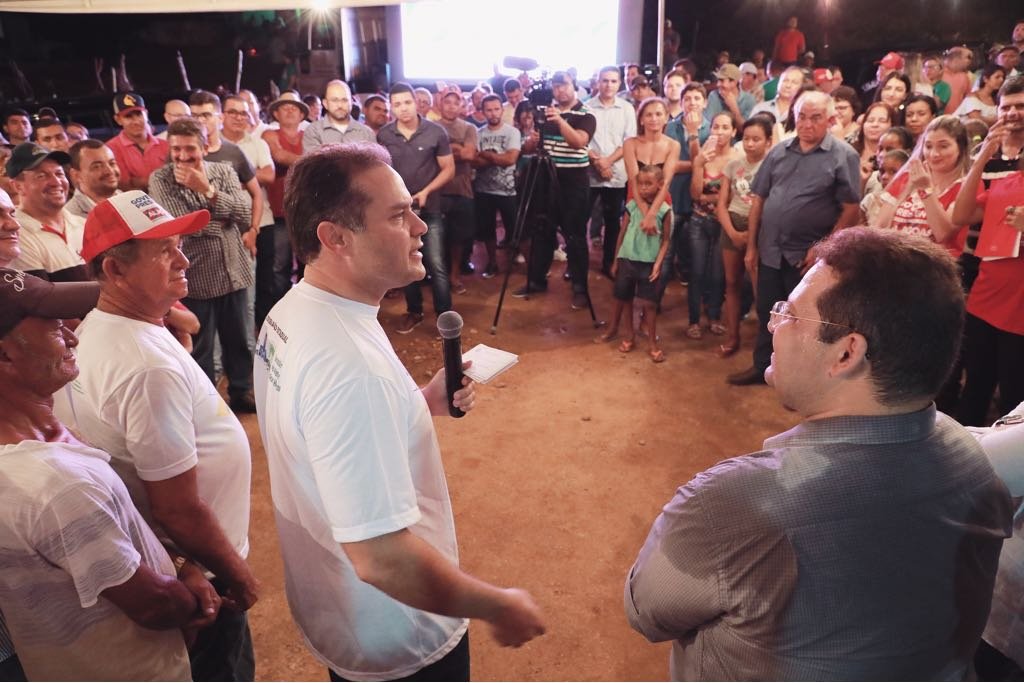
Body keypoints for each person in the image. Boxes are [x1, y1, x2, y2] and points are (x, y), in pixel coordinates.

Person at [627, 225, 1012, 680]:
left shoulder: (734, 505)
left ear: (847, 354)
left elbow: (646, 611)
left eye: (789, 314)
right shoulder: (977, 465)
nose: (772, 324)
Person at [254, 143, 545, 681]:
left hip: (339, 609)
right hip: (399, 635)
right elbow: (382, 559)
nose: (419, 225)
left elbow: (318, 432)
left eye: (413, 208)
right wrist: (497, 604)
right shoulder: (348, 364)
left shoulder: (295, 309)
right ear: (335, 237)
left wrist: (420, 402)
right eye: (398, 214)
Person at [66, 191, 259, 680]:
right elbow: (177, 505)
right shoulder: (146, 367)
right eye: (163, 251)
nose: (183, 257)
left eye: (179, 244)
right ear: (114, 271)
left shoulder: (107, 327)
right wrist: (236, 572)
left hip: (175, 562)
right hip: (200, 579)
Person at [0, 268, 221, 682]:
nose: (72, 337)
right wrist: (193, 599)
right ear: (5, 356)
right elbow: (152, 604)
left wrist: (175, 562)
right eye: (53, 328)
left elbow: (117, 540)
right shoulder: (54, 485)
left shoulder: (44, 433)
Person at [730, 91, 861, 386]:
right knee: (768, 311)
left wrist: (824, 249)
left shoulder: (843, 156)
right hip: (771, 251)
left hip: (806, 258)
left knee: (805, 319)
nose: (807, 124)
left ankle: (800, 378)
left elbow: (851, 208)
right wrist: (752, 247)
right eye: (801, 116)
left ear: (829, 119)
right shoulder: (779, 151)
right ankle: (763, 367)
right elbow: (758, 201)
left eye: (815, 117)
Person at [149, 117, 256, 412]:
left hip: (234, 270)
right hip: (195, 276)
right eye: (176, 150)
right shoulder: (160, 179)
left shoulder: (223, 171)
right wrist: (224, 221)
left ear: (204, 148)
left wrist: (207, 191)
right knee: (201, 347)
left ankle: (242, 391)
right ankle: (207, 405)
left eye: (189, 149)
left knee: (240, 342)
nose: (183, 156)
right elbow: (180, 225)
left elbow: (246, 215)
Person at [950, 75, 1024, 427]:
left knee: (1013, 398)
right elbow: (961, 215)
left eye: (1020, 107)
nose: (1013, 115)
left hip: (1019, 312)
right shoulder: (1006, 179)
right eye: (1007, 107)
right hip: (985, 296)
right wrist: (981, 159)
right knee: (975, 389)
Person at [513, 71, 596, 310]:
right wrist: (532, 140)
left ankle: (580, 288)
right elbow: (530, 149)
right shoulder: (545, 114)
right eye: (556, 87)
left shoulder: (586, 114)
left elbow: (578, 142)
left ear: (574, 86)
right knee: (542, 231)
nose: (560, 90)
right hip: (545, 179)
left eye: (564, 85)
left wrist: (559, 121)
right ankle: (537, 280)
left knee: (575, 235)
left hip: (574, 181)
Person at [377, 82, 455, 333]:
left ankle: (445, 317)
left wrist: (426, 191)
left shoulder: (436, 132)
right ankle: (414, 311)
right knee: (405, 263)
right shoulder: (385, 135)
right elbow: (381, 169)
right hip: (399, 211)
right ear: (391, 107)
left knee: (436, 263)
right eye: (397, 104)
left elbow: (449, 169)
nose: (403, 109)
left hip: (429, 209)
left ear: (416, 102)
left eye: (407, 102)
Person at [596, 163, 671, 362]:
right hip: (627, 260)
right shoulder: (631, 206)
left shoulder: (664, 210)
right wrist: (615, 259)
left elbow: (665, 240)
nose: (644, 188)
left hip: (648, 264)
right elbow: (622, 232)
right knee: (625, 299)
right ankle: (629, 336)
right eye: (641, 184)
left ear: (660, 185)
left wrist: (657, 264)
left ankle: (652, 343)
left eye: (649, 184)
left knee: (650, 304)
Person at [221, 94, 281, 329]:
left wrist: (232, 173)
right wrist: (251, 174)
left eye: (243, 113)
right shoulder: (213, 145)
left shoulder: (257, 143)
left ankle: (263, 329)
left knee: (265, 279)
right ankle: (237, 331)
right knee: (231, 282)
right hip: (227, 224)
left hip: (261, 221)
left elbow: (270, 175)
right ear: (222, 115)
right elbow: (261, 175)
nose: (238, 117)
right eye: (232, 112)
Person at [872, 115, 969, 255]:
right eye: (928, 146)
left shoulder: (966, 185)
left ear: (960, 147)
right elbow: (879, 227)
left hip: (935, 267)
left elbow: (943, 234)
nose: (934, 154)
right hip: (894, 261)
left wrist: (925, 190)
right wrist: (908, 189)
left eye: (943, 146)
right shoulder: (908, 177)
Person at [715, 116, 771, 357]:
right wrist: (732, 232)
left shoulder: (772, 166)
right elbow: (721, 204)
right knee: (731, 283)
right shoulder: (733, 165)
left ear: (768, 141)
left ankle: (764, 343)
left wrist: (750, 236)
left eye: (756, 139)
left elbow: (770, 204)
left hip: (759, 228)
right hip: (733, 224)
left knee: (760, 288)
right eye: (746, 138)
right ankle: (732, 335)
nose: (750, 144)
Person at [687, 112, 739, 340]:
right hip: (699, 220)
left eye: (725, 127)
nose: (719, 132)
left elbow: (732, 198)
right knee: (696, 272)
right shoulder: (703, 155)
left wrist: (712, 199)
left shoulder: (738, 157)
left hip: (723, 223)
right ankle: (694, 320)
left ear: (734, 131)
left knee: (719, 274)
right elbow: (695, 194)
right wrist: (698, 164)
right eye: (715, 126)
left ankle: (715, 316)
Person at [6, 142, 87, 282]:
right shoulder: (14, 236)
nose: (56, 182)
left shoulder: (84, 224)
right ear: (17, 186)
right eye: (41, 176)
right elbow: (41, 299)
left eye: (59, 173)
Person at [587, 65, 636, 278]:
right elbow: (581, 140)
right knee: (580, 219)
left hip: (616, 173)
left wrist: (607, 162)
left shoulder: (626, 108)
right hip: (590, 173)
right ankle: (576, 265)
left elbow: (629, 141)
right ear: (598, 82)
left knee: (613, 223)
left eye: (613, 81)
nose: (608, 85)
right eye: (604, 80)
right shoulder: (586, 107)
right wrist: (598, 163)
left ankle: (609, 264)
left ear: (619, 83)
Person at [472, 93, 521, 278]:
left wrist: (488, 155)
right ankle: (492, 262)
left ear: (502, 109)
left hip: (507, 190)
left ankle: (516, 258)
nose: (493, 113)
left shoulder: (512, 132)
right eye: (489, 110)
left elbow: (510, 159)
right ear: (483, 112)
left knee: (514, 227)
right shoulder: (478, 133)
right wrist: (496, 158)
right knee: (487, 229)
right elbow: (474, 162)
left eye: (496, 109)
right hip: (483, 189)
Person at [436, 88, 478, 295]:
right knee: (437, 237)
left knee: (458, 238)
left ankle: (454, 275)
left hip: (462, 189)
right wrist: (456, 148)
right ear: (440, 104)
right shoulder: (431, 127)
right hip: (437, 189)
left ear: (462, 105)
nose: (451, 106)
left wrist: (445, 151)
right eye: (447, 102)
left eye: (456, 102)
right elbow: (429, 156)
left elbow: (469, 154)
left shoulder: (469, 128)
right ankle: (440, 276)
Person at [106, 92, 169, 192]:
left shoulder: (166, 145)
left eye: (139, 114)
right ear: (118, 119)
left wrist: (139, 181)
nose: (136, 121)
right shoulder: (110, 149)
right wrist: (165, 180)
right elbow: (125, 184)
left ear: (146, 114)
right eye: (128, 116)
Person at [303, 80, 375, 150]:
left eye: (344, 100)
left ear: (351, 103)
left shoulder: (367, 133)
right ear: (325, 104)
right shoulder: (313, 131)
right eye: (334, 100)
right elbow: (313, 161)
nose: (340, 105)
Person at [66, 138, 121, 219]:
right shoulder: (71, 217)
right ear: (76, 175)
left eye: (112, 163)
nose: (109, 171)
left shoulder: (129, 198)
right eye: (97, 166)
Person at [860, 147, 908, 225]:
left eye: (893, 172)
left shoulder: (912, 204)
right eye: (882, 171)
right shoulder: (870, 200)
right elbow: (859, 229)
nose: (884, 176)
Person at [942, 46, 975, 115]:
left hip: (958, 119)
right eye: (968, 57)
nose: (970, 61)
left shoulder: (965, 76)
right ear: (956, 58)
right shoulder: (937, 73)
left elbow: (968, 99)